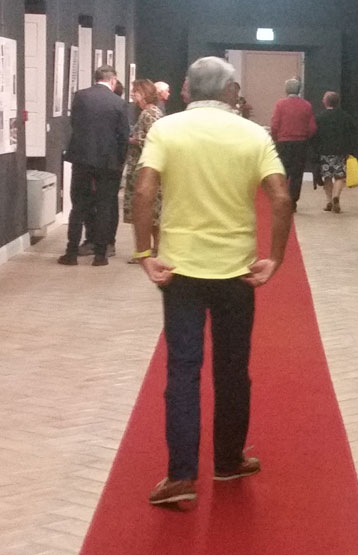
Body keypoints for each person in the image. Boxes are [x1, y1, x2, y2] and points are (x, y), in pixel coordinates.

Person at [132, 56, 292, 507]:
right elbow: (281, 198)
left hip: (180, 269)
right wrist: (275, 257)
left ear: (187, 89)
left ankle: (181, 475)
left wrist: (144, 253)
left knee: (183, 370)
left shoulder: (166, 129)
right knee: (232, 368)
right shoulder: (253, 134)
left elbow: (143, 191)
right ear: (231, 90)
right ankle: (227, 460)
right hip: (236, 271)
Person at [59, 67, 129, 267]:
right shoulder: (118, 102)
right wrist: (119, 161)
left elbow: (74, 124)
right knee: (105, 206)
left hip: (82, 158)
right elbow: (123, 135)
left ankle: (71, 252)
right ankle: (100, 255)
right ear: (113, 80)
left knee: (78, 206)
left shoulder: (80, 97)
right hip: (108, 162)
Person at [122, 80, 164, 263]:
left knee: (147, 212)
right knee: (151, 213)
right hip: (143, 168)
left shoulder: (150, 114)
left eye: (136, 92)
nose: (133, 95)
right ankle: (154, 249)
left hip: (144, 170)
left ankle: (148, 250)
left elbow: (154, 140)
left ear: (145, 93)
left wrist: (133, 140)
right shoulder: (149, 112)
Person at [268, 79, 317, 207]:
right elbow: (312, 127)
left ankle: (281, 198)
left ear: (286, 90)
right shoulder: (306, 105)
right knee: (297, 173)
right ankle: (293, 200)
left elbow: (274, 124)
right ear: (299, 90)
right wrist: (304, 136)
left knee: (282, 171)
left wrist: (276, 138)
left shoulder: (280, 104)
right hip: (300, 143)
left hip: (283, 142)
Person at [314, 91, 354, 214]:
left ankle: (329, 201)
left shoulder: (319, 118)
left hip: (324, 151)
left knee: (327, 176)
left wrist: (315, 150)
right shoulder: (346, 117)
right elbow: (351, 134)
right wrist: (349, 150)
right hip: (340, 151)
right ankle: (336, 196)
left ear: (326, 102)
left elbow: (315, 136)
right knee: (339, 176)